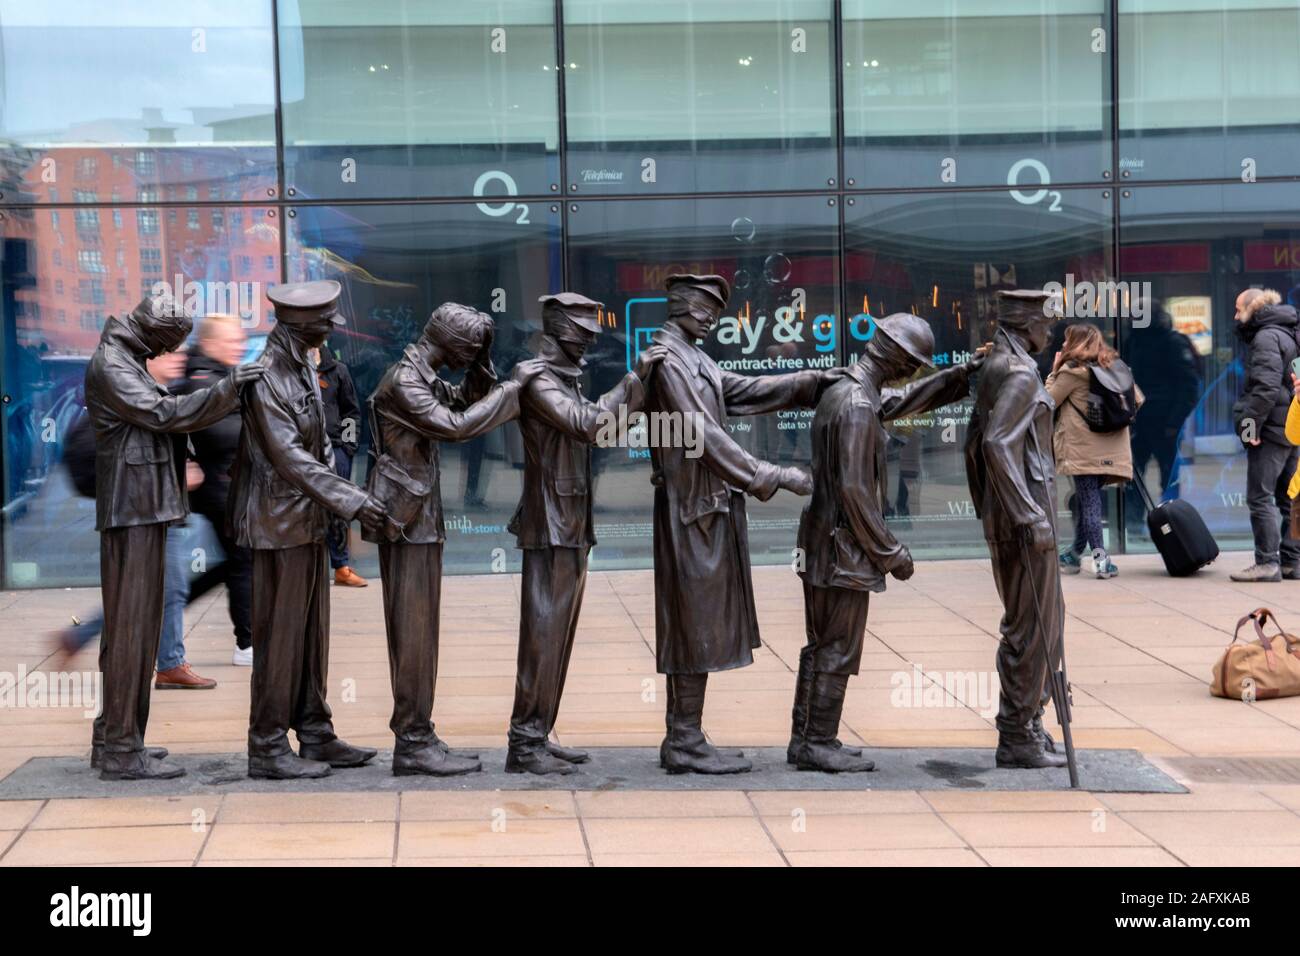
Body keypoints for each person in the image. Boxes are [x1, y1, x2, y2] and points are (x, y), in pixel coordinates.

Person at [645, 273, 830, 775]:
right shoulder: (668, 362)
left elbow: (741, 392)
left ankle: (688, 734)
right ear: (681, 304)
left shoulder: (695, 358)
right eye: (703, 307)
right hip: (691, 509)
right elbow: (702, 435)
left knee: (702, 622)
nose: (711, 316)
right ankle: (682, 739)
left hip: (706, 506)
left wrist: (810, 382)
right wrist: (773, 475)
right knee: (692, 623)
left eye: (715, 309)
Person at [85, 294, 262, 780]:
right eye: (168, 345)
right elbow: (162, 415)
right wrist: (226, 390)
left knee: (132, 628)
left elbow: (163, 409)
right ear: (153, 334)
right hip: (133, 511)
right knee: (131, 631)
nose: (171, 354)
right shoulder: (113, 364)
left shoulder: (127, 358)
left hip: (145, 506)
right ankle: (122, 748)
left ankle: (114, 737)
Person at [794, 314, 980, 772]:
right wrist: (890, 551)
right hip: (842, 547)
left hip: (822, 541)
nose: (910, 373)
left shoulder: (848, 392)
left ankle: (808, 739)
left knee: (820, 645)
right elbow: (855, 492)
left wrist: (959, 377)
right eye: (911, 363)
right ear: (895, 357)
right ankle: (818, 740)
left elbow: (901, 400)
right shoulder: (857, 404)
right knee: (837, 646)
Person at [366, 303, 544, 776]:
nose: (474, 355)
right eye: (474, 347)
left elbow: (463, 401)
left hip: (419, 518)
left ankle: (420, 733)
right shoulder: (405, 381)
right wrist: (512, 388)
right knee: (412, 634)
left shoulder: (422, 374)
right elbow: (457, 427)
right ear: (455, 344)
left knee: (421, 634)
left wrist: (486, 369)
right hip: (406, 522)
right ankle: (411, 741)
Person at [228, 280, 387, 780]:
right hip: (277, 525)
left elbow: (320, 444)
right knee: (280, 638)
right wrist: (354, 500)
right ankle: (268, 744)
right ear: (301, 326)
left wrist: (336, 503)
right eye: (325, 322)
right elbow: (290, 458)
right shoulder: (268, 376)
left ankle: (315, 732)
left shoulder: (303, 365)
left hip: (308, 521)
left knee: (312, 635)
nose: (332, 328)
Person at [505, 293, 665, 775]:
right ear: (559, 333)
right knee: (542, 636)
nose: (592, 339)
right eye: (583, 332)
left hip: (570, 522)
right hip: (550, 524)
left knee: (558, 637)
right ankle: (525, 742)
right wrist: (633, 382)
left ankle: (539, 732)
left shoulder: (561, 379)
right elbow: (587, 424)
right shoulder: (536, 379)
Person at [964, 289, 1067, 770]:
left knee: (1038, 622)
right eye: (1047, 323)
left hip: (1014, 510)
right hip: (1025, 516)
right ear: (1028, 323)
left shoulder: (999, 363)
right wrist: (1028, 515)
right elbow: (996, 443)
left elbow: (978, 442)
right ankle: (1018, 732)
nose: (1051, 332)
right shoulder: (1021, 372)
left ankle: (1028, 721)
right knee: (1034, 625)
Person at [175, 314, 256, 665]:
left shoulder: (219, 375)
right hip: (219, 488)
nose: (238, 346)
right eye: (230, 340)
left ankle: (165, 610)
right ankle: (247, 643)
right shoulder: (203, 378)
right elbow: (216, 432)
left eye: (240, 339)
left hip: (227, 484)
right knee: (242, 560)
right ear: (209, 343)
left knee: (234, 562)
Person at [1046, 323, 1144, 580]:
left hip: (1083, 449)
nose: (1064, 345)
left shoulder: (1071, 372)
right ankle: (1075, 552)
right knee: (1084, 499)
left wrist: (1054, 370)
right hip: (1114, 447)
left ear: (1075, 343)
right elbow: (1138, 400)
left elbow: (1047, 401)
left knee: (1088, 500)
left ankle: (1100, 559)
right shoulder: (1115, 367)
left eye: (1067, 341)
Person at [1230, 288, 1300, 582]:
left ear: (1252, 308)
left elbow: (1265, 387)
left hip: (1271, 428)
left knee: (1260, 496)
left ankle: (1267, 562)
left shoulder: (1265, 337)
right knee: (1290, 497)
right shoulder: (1290, 331)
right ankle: (1292, 562)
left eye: (1238, 309)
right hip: (1292, 425)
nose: (1235, 316)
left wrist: (1249, 428)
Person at [311, 344, 367, 587]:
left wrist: (347, 450)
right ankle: (309, 571)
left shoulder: (338, 370)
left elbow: (351, 412)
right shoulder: (289, 369)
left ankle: (342, 567)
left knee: (339, 510)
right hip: (302, 453)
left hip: (336, 451)